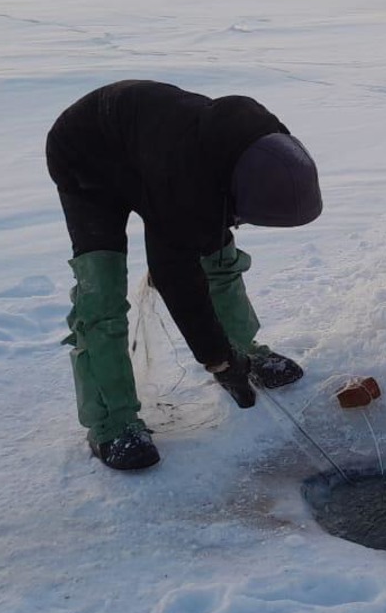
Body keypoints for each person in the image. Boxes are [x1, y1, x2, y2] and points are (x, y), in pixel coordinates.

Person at [45, 80, 322, 471]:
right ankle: (113, 423)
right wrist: (218, 362)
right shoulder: (183, 183)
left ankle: (247, 349)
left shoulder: (263, 138)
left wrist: (232, 355)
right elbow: (176, 280)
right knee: (102, 292)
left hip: (155, 153)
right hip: (86, 159)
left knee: (219, 257)